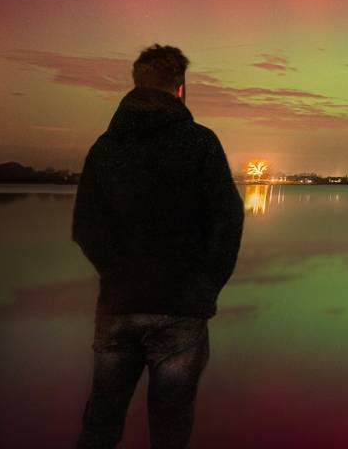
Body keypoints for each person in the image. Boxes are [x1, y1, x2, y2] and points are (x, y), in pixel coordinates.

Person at [73, 44, 244, 449]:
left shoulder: (105, 148)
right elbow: (227, 220)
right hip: (180, 306)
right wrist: (205, 286)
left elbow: (86, 227)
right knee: (170, 425)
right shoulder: (200, 143)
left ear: (136, 84)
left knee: (102, 420)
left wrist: (117, 272)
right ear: (180, 88)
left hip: (119, 304)